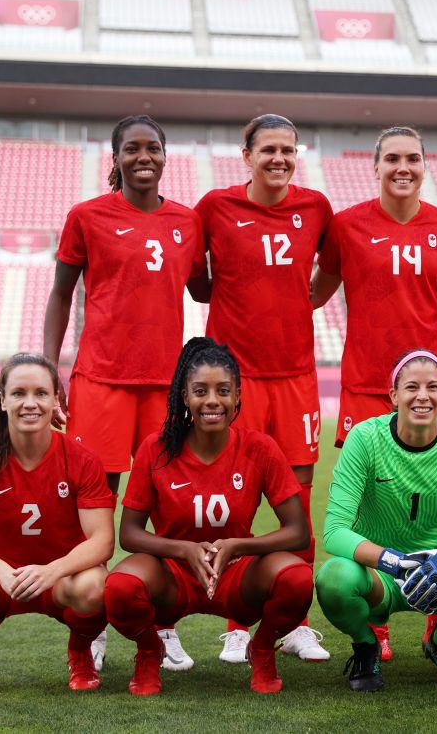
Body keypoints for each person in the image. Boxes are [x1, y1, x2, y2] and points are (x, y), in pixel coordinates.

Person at [44, 114, 209, 671]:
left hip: (166, 386)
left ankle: (161, 624)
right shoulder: (87, 216)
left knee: (165, 506)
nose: (144, 156)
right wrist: (50, 366)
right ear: (114, 159)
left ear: (165, 156)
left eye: (154, 147)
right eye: (133, 148)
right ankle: (89, 624)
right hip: (101, 380)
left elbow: (207, 285)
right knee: (95, 504)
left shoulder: (188, 221)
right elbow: (61, 293)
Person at [311, 126, 437, 660]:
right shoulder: (346, 225)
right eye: (393, 159)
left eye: (414, 159)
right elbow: (318, 290)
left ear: (425, 166)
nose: (404, 168)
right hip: (363, 381)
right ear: (375, 167)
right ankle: (376, 619)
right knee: (368, 501)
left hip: (430, 384)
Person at [193, 114, 333, 664]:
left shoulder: (316, 207)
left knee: (296, 501)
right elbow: (197, 280)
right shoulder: (215, 207)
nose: (279, 158)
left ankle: (295, 623)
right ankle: (235, 623)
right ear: (245, 155)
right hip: (235, 383)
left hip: (296, 377)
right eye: (268, 149)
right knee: (234, 501)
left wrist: (305, 300)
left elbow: (330, 273)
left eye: (288, 149)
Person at [101, 338, 312, 695]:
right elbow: (130, 534)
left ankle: (261, 650)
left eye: (223, 391)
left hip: (238, 574)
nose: (212, 400)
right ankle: (150, 651)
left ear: (237, 397)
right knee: (120, 588)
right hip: (175, 575)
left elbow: (298, 532)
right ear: (185, 397)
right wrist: (184, 550)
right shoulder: (157, 447)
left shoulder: (259, 447)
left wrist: (237, 546)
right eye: (200, 391)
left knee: (296, 579)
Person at [315, 350, 437, 692]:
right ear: (393, 396)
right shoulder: (364, 438)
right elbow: (334, 532)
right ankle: (366, 645)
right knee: (333, 579)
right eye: (411, 387)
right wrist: (394, 562)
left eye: (433, 387)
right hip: (380, 573)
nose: (423, 396)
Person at [0, 353, 114, 698]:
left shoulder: (82, 459)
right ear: (2, 400)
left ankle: (80, 654)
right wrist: (1, 572)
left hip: (60, 580)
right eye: (19, 393)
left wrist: (52, 571)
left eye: (41, 393)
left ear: (56, 399)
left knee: (98, 586)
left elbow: (102, 541)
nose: (31, 403)